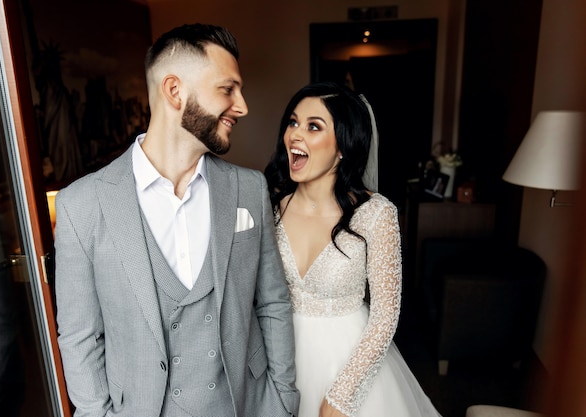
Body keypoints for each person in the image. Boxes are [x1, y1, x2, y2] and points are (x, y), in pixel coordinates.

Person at [54, 23, 299, 417]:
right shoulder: (80, 205)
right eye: (227, 89)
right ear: (174, 90)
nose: (243, 106)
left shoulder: (250, 189)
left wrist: (283, 399)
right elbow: (80, 337)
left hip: (248, 406)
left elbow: (272, 301)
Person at [264, 81, 442, 417]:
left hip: (348, 359)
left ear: (343, 146)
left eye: (313, 126)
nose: (295, 135)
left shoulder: (376, 215)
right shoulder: (269, 207)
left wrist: (343, 396)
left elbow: (385, 316)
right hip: (280, 357)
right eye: (292, 122)